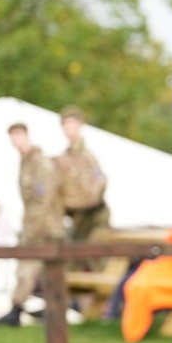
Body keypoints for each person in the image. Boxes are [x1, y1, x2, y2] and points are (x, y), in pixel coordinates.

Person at [0, 124, 65, 326]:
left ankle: (17, 310)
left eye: (18, 136)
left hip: (44, 228)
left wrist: (31, 231)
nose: (15, 141)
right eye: (12, 137)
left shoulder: (39, 163)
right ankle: (48, 309)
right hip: (37, 226)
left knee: (27, 268)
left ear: (26, 136)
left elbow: (42, 200)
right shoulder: (25, 162)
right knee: (41, 270)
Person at [56, 106, 111, 250]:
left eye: (71, 122)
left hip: (93, 217)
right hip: (77, 219)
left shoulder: (87, 156)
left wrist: (89, 199)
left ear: (80, 124)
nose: (67, 127)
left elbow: (100, 180)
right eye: (64, 123)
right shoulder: (64, 158)